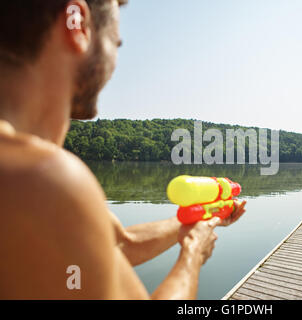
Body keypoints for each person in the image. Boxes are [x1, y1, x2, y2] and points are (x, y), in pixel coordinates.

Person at [0, 0, 246, 299]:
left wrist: (197, 218)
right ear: (76, 23)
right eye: (115, 42)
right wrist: (192, 255)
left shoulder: (27, 177)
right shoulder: (45, 179)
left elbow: (119, 244)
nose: (115, 61)